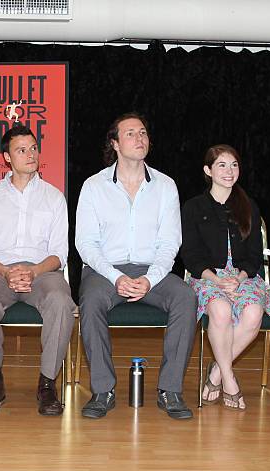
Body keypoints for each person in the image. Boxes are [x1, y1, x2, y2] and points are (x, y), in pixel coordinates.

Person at [76, 112, 197, 420]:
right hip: (106, 271)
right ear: (114, 143)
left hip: (151, 270)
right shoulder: (93, 186)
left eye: (143, 133)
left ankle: (170, 390)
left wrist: (150, 278)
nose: (139, 138)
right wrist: (117, 277)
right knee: (90, 301)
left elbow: (170, 243)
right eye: (130, 133)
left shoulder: (165, 186)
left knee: (185, 296)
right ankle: (103, 390)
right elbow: (86, 245)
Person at [0, 124, 75, 416]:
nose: (30, 154)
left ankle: (47, 383)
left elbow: (59, 253)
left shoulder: (54, 197)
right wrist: (4, 271)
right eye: (21, 150)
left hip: (42, 273)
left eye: (33, 148)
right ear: (6, 157)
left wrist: (35, 271)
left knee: (61, 302)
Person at [181, 145, 270, 410]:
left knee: (253, 313)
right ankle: (229, 380)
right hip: (207, 277)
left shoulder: (248, 206)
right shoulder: (193, 207)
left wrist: (239, 278)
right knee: (219, 310)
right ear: (208, 170)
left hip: (244, 277)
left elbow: (254, 255)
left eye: (234, 165)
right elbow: (190, 254)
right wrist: (217, 280)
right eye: (222, 165)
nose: (229, 171)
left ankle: (217, 372)